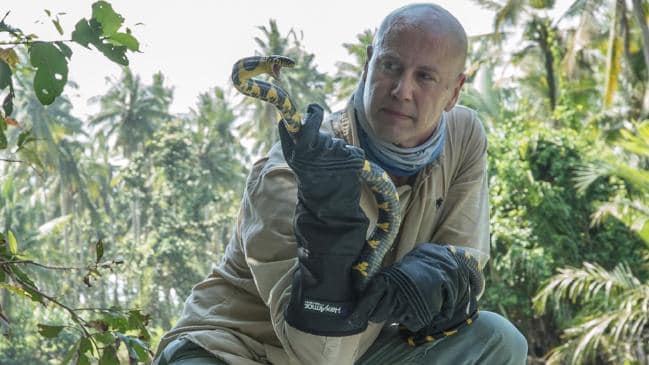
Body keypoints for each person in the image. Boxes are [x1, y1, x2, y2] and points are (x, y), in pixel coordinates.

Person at [154, 3, 528, 364]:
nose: (402, 90)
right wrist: (328, 234)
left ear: (455, 91)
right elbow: (320, 356)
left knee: (498, 340)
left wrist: (427, 280)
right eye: (390, 65)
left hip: (356, 348)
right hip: (232, 350)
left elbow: (463, 264)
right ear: (368, 64)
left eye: (425, 76)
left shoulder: (463, 136)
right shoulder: (288, 172)